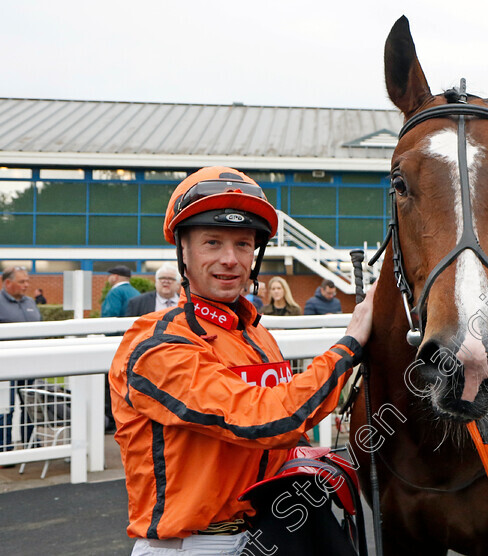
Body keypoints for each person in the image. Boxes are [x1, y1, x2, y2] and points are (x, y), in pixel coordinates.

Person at [109, 167, 375, 555]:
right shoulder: (157, 344)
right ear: (183, 250)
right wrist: (348, 346)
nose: (230, 259)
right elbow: (265, 419)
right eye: (212, 243)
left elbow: (285, 428)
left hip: (272, 530)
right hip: (196, 545)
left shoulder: (255, 333)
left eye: (244, 244)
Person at [1, 266, 42, 452]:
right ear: (7, 283)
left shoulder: (30, 302)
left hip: (30, 365)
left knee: (30, 405)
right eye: (21, 282)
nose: (26, 285)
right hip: (5, 366)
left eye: (27, 281)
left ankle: (30, 444)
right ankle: (4, 448)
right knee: (5, 408)